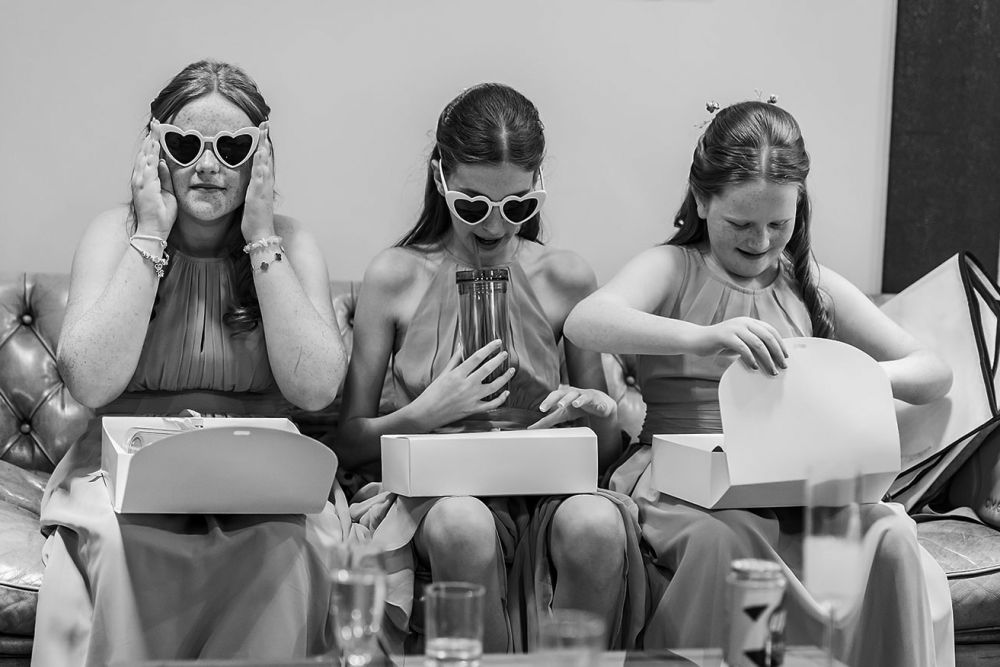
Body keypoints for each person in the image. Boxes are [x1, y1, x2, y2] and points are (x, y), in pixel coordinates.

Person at [563, 100, 956, 666]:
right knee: (726, 541)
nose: (762, 242)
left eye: (779, 224)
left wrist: (861, 376)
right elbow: (585, 322)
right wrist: (702, 338)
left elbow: (933, 371)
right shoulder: (674, 267)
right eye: (741, 225)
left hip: (792, 482)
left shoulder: (809, 282)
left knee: (889, 534)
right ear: (702, 201)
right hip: (683, 483)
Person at [33, 60, 358, 666]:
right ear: (156, 151)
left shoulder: (292, 242)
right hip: (124, 465)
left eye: (232, 148)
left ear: (261, 157)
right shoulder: (114, 235)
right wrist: (151, 233)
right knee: (120, 543)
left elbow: (316, 390)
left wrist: (261, 236)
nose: (208, 165)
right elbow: (90, 383)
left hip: (262, 473)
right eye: (186, 145)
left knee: (287, 545)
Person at [337, 83, 645, 654]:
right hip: (436, 490)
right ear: (440, 179)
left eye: (518, 206)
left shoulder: (566, 278)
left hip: (545, 485)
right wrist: (427, 412)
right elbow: (349, 441)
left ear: (538, 186)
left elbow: (601, 453)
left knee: (597, 528)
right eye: (474, 205)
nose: (496, 226)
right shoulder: (396, 277)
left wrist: (593, 409)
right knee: (462, 525)